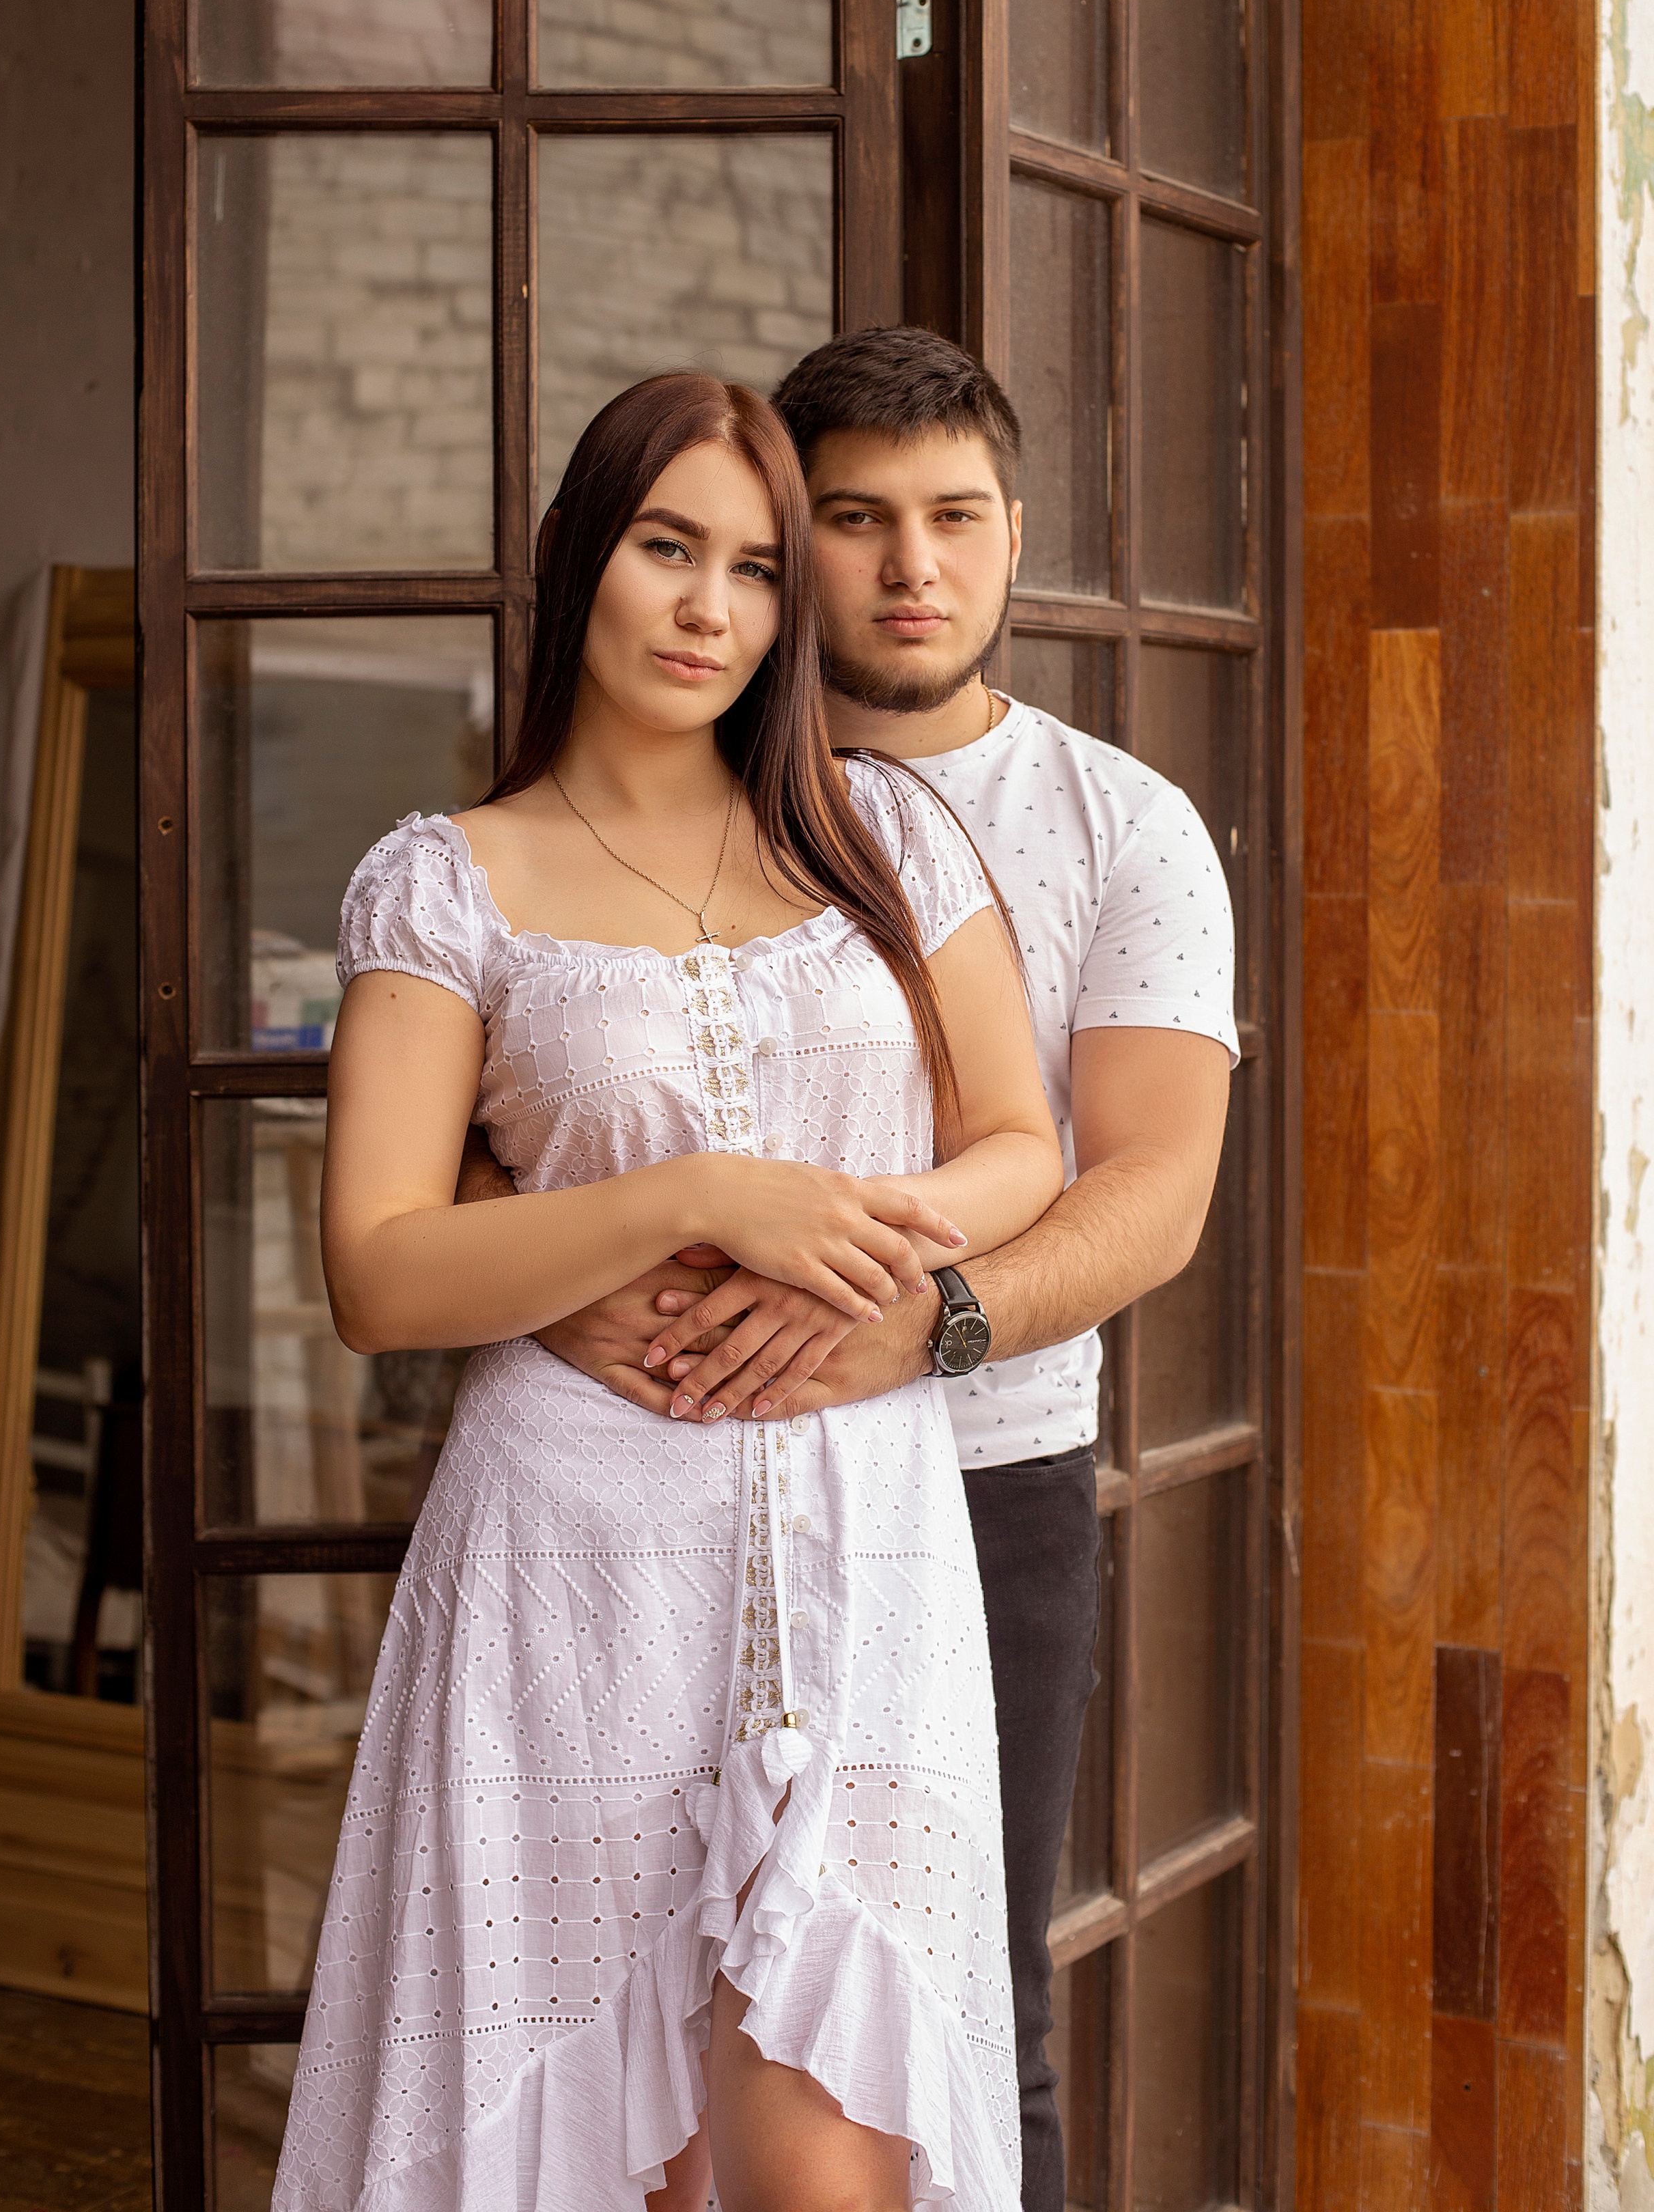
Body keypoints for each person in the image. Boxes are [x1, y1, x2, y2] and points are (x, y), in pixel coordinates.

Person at [460, 329, 1238, 2212]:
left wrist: (922, 1327)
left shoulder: (1116, 823)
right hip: (642, 1468)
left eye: (956, 517)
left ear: (1015, 535)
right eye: (858, 520)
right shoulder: (624, 796)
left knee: (953, 2018)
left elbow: (1150, 1187)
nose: (911, 567)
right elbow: (515, 1096)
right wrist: (559, 1279)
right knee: (626, 2027)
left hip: (974, 1481)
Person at [272, 372, 1067, 2212]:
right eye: (666, 549)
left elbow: (1022, 1145)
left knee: (832, 2168)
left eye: (757, 569)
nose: (711, 608)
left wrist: (853, 1249)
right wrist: (694, 1200)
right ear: (581, 556)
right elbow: (380, 1267)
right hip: (573, 1567)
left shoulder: (884, 839)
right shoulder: (444, 887)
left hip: (865, 1546)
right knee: (597, 2161)